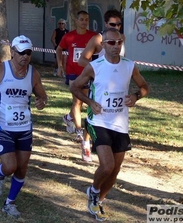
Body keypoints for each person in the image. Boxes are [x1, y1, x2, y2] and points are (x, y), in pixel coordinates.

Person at [70, 28, 149, 221]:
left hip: (120, 123)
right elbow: (74, 87)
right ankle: (94, 190)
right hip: (98, 122)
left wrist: (136, 96)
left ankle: (98, 200)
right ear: (103, 45)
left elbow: (145, 87)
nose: (116, 46)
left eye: (119, 42)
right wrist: (90, 102)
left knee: (115, 170)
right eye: (111, 43)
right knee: (107, 166)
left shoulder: (130, 66)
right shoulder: (95, 67)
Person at [0, 35, 47, 219]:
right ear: (13, 52)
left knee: (22, 167)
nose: (25, 56)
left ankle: (10, 203)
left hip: (24, 126)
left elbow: (42, 96)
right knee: (9, 166)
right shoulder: (0, 70)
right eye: (21, 52)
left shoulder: (33, 73)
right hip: (3, 124)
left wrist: (41, 102)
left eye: (28, 53)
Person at [77, 9, 126, 163]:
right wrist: (97, 69)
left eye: (118, 24)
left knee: (110, 113)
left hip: (115, 84)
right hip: (98, 84)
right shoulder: (97, 39)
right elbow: (82, 60)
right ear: (106, 24)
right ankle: (86, 142)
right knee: (95, 114)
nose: (116, 27)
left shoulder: (122, 38)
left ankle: (108, 142)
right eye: (112, 24)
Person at [56, 10, 97, 161]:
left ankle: (68, 117)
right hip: (73, 73)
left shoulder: (93, 37)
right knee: (77, 101)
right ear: (76, 20)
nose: (84, 22)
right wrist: (60, 66)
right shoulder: (69, 36)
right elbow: (59, 49)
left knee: (84, 100)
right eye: (81, 19)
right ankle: (80, 131)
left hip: (87, 72)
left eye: (86, 19)